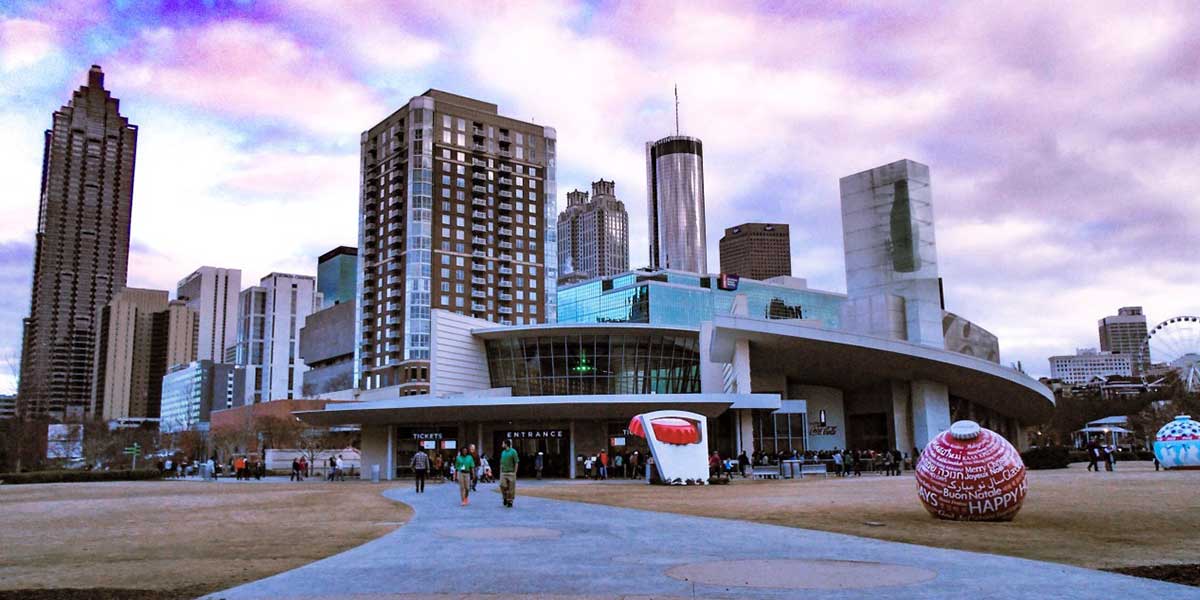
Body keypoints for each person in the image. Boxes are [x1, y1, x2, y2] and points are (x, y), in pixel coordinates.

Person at [498, 438, 519, 508]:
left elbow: (516, 462)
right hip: (503, 473)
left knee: (511, 488)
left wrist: (515, 472)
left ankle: (510, 501)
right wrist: (500, 472)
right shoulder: (503, 452)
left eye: (503, 443)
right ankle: (505, 497)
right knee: (502, 485)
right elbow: (501, 463)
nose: (502, 444)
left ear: (506, 444)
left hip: (511, 473)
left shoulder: (513, 452)